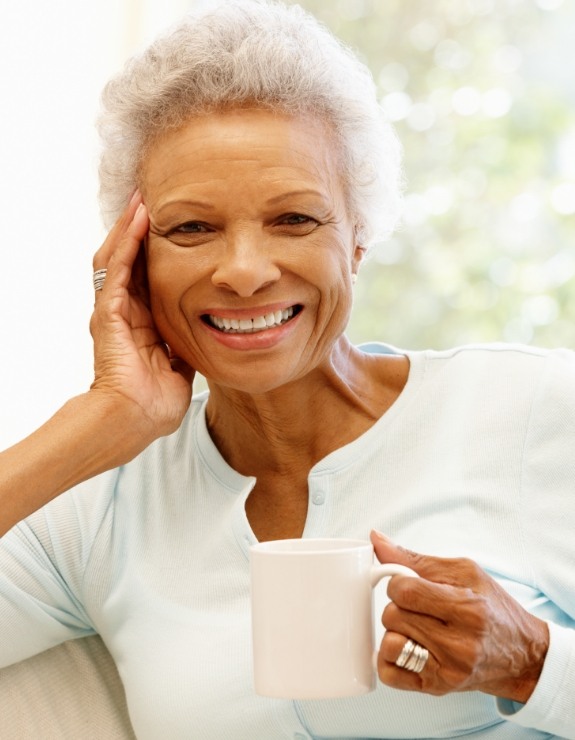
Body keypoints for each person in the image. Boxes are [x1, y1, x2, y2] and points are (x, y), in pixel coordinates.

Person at [1, 1, 574, 738]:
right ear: (133, 260)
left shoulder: (535, 410)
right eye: (191, 228)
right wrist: (102, 417)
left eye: (294, 219)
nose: (243, 272)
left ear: (358, 237)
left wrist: (532, 662)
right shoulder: (103, 502)